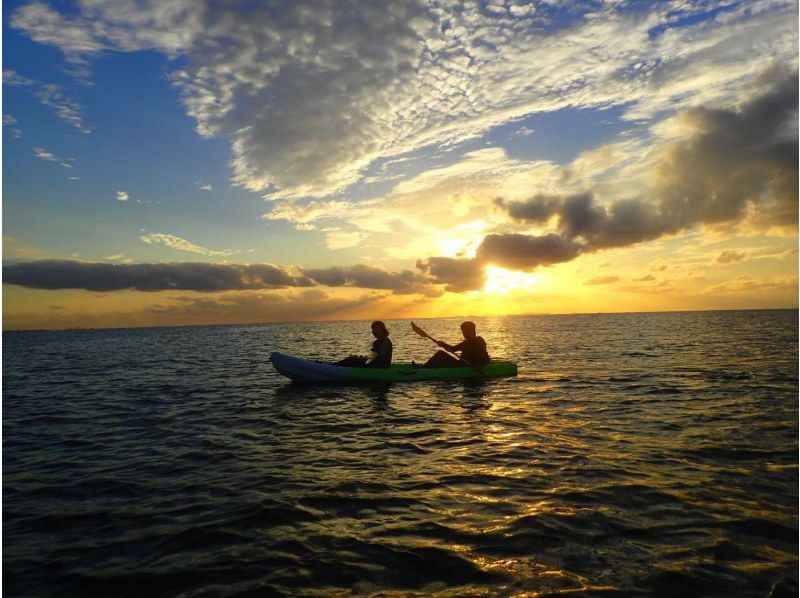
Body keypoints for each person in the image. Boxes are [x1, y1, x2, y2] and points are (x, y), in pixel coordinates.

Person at [423, 321, 490, 368]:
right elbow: (453, 349)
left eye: (465, 332)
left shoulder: (479, 341)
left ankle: (423, 370)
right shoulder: (465, 343)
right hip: (460, 365)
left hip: (469, 367)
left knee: (441, 354)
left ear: (472, 331)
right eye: (463, 332)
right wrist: (443, 345)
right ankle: (425, 368)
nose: (463, 334)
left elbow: (485, 358)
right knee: (440, 353)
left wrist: (480, 365)